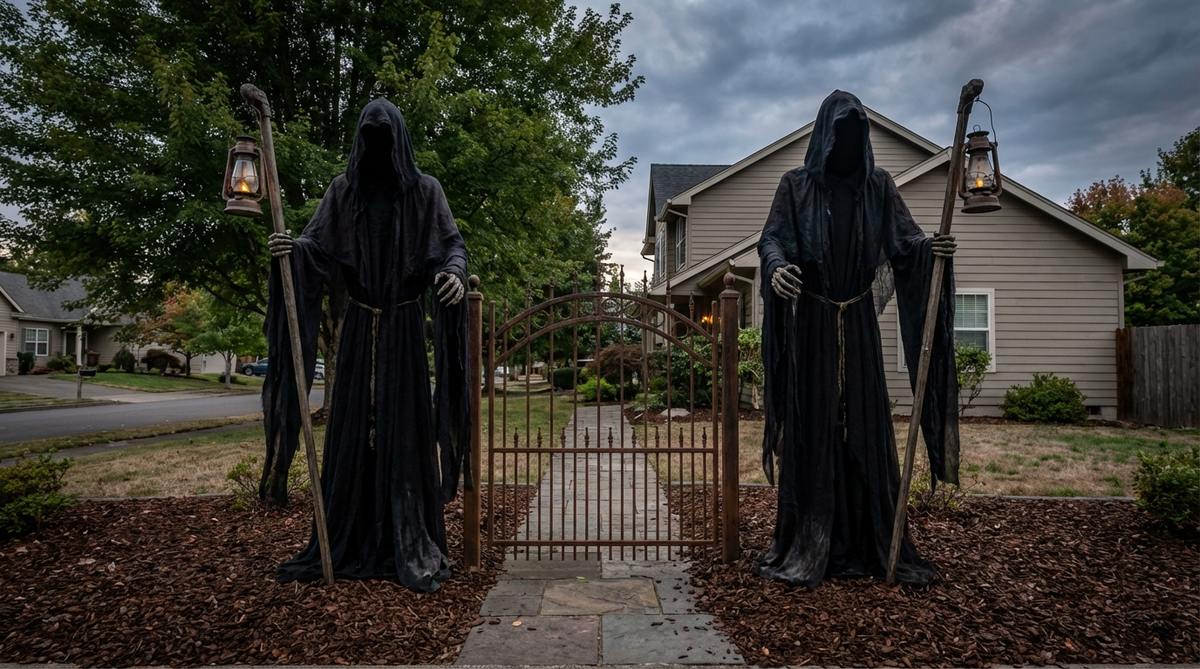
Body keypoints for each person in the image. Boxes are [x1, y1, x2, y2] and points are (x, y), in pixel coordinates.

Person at [262, 98, 470, 592]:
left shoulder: (425, 192)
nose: (377, 146)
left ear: (398, 140)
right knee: (354, 431)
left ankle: (407, 538)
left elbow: (452, 245)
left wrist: (455, 274)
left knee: (404, 431)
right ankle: (347, 538)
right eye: (368, 136)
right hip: (358, 331)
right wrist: (291, 251)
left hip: (402, 330)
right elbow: (317, 246)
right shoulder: (343, 192)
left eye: (385, 136)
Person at [756, 90, 960, 587]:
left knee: (866, 429)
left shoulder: (879, 187)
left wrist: (932, 249)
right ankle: (809, 539)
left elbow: (904, 242)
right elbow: (772, 238)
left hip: (860, 323)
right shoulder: (796, 186)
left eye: (857, 132)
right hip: (813, 325)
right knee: (815, 425)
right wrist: (777, 266)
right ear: (824, 136)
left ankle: (874, 540)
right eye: (840, 132)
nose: (847, 142)